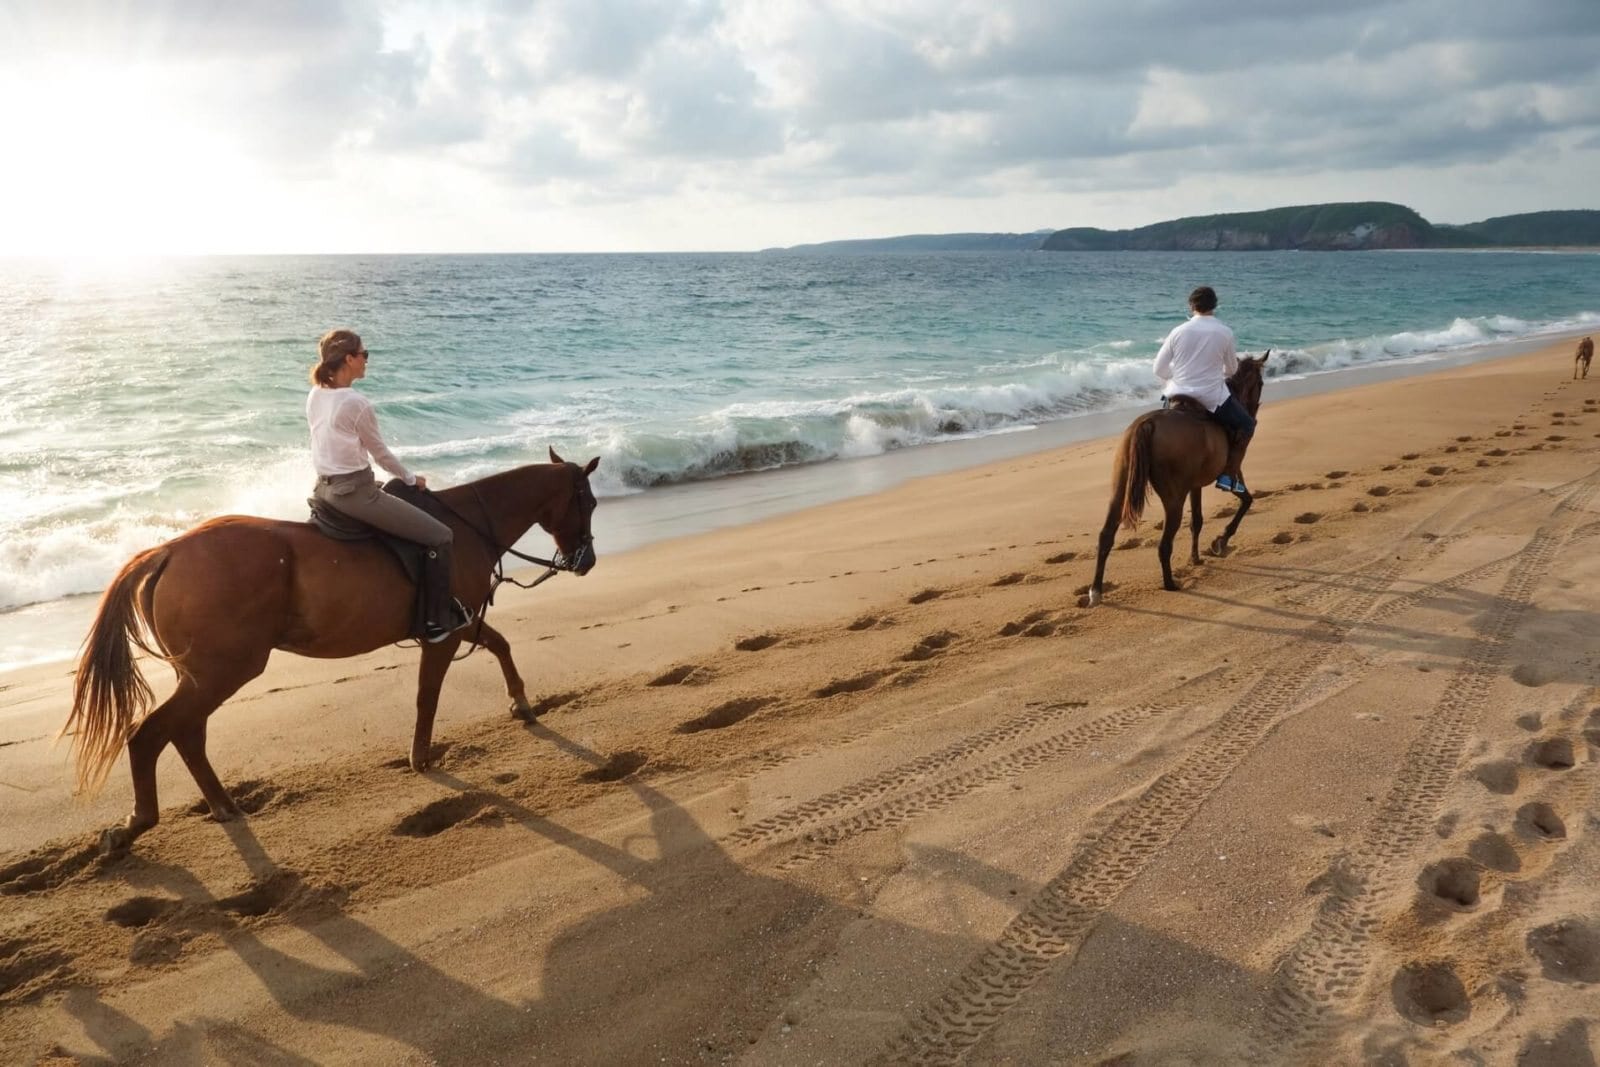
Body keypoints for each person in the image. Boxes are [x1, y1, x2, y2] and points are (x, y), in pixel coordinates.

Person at [307, 329, 469, 642]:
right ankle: (436, 621)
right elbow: (381, 454)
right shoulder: (356, 402)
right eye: (364, 354)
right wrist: (410, 479)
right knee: (440, 536)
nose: (367, 360)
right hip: (356, 494)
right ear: (349, 359)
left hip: (324, 491)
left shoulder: (316, 394)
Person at [1153, 285, 1255, 495]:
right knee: (1247, 424)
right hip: (1211, 396)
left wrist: (1179, 378)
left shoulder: (1177, 331)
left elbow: (1159, 369)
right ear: (1215, 306)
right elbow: (1232, 369)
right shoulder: (1225, 332)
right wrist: (1217, 374)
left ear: (1191, 306)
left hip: (1177, 393)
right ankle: (1228, 474)